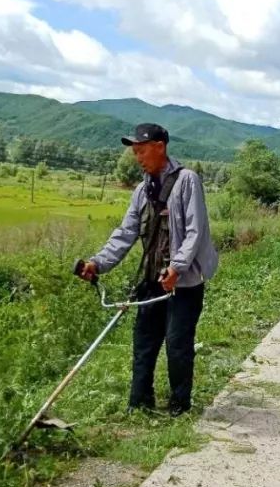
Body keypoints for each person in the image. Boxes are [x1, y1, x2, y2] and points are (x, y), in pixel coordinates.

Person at [79, 123, 218, 416]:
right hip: (153, 279)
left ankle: (179, 406)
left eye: (141, 150)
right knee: (143, 342)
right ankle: (140, 402)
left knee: (177, 344)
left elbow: (195, 230)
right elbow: (125, 233)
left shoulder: (187, 181)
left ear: (160, 147)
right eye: (135, 152)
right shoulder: (143, 190)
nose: (138, 157)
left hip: (184, 283)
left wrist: (178, 268)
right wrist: (98, 263)